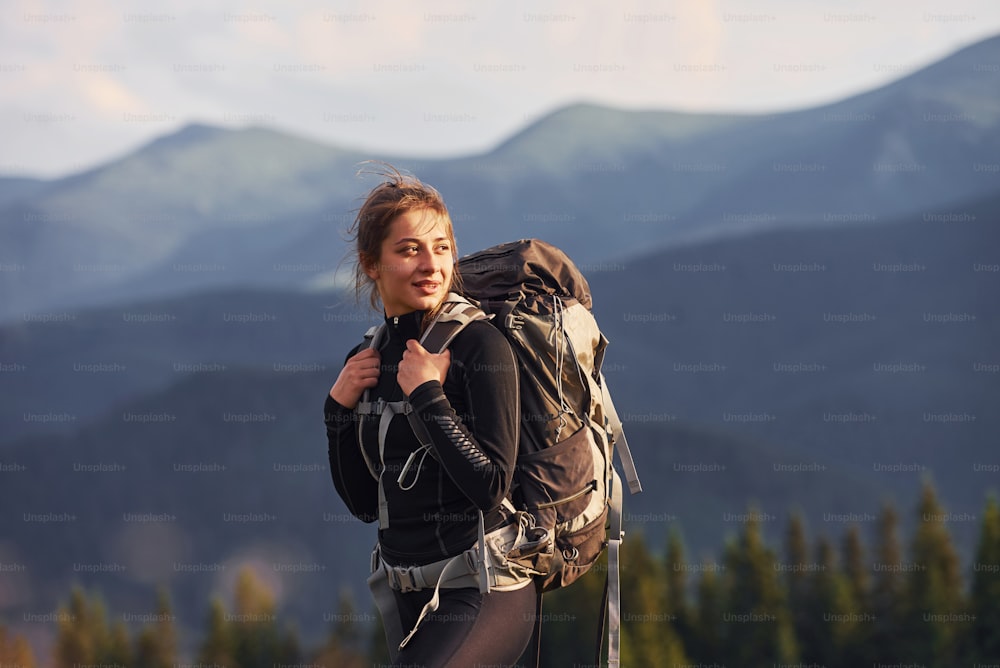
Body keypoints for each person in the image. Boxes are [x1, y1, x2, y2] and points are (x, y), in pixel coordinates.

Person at [323, 166, 538, 666]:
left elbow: (491, 485)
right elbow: (362, 502)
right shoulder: (368, 358)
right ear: (371, 264)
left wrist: (427, 397)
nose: (431, 264)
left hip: (486, 587)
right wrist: (335, 412)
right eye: (409, 249)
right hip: (410, 596)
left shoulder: (479, 345)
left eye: (441, 247)